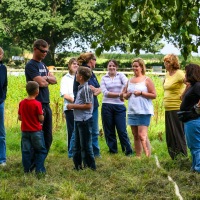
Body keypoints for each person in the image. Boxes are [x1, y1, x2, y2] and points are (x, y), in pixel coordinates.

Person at [25, 39, 57, 160]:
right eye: (42, 51)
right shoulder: (31, 65)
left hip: (46, 103)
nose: (45, 53)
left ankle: (40, 161)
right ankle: (32, 164)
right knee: (37, 136)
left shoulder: (43, 65)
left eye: (46, 51)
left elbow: (55, 80)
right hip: (37, 104)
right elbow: (43, 83)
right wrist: (47, 79)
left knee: (48, 137)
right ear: (35, 49)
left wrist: (45, 79)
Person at [124, 58, 156, 157]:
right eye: (133, 66)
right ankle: (138, 156)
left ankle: (148, 156)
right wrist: (126, 95)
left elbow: (154, 95)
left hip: (144, 111)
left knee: (142, 135)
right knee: (135, 135)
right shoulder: (129, 81)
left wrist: (141, 93)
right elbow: (123, 94)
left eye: (136, 66)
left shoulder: (147, 80)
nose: (134, 68)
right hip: (132, 111)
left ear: (141, 67)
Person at [100, 59, 133, 156]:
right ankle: (113, 150)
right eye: (110, 66)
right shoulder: (103, 78)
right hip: (107, 106)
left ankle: (127, 150)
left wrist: (123, 92)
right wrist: (120, 95)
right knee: (109, 130)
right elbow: (105, 93)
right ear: (107, 67)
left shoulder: (121, 75)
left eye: (113, 66)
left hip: (119, 107)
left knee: (122, 130)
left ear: (116, 67)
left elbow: (127, 84)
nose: (111, 67)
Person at [67, 66, 96, 170]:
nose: (76, 75)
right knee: (77, 145)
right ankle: (77, 166)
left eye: (77, 73)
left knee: (86, 146)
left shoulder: (87, 89)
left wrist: (73, 106)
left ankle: (90, 167)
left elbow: (88, 105)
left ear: (81, 77)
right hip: (78, 120)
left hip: (84, 120)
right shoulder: (81, 88)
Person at [73, 52, 101, 157]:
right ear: (91, 61)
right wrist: (96, 91)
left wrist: (97, 90)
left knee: (92, 131)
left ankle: (93, 153)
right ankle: (79, 153)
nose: (96, 62)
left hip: (93, 105)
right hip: (85, 106)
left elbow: (98, 88)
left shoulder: (91, 73)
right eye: (95, 60)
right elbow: (90, 90)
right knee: (83, 131)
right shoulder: (83, 71)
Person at [18, 81, 47, 173]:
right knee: (41, 150)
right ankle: (39, 169)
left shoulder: (22, 103)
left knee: (26, 151)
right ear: (37, 92)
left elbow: (20, 118)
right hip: (36, 131)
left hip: (25, 131)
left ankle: (27, 170)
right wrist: (43, 114)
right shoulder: (37, 104)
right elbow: (41, 118)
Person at [163, 54, 187, 159]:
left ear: (173, 63)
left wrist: (183, 95)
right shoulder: (167, 74)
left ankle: (183, 156)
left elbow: (190, 83)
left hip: (177, 107)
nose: (165, 64)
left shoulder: (180, 74)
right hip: (168, 108)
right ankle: (174, 156)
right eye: (165, 62)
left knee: (178, 133)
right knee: (170, 134)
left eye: (167, 62)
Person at [180, 63, 200, 173]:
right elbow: (181, 97)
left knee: (196, 146)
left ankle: (198, 169)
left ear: (191, 73)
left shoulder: (197, 85)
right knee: (193, 145)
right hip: (189, 120)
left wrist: (197, 108)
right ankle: (194, 167)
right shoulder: (192, 85)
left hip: (193, 120)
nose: (184, 74)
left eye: (186, 71)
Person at [60, 58, 78, 158]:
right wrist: (75, 102)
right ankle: (71, 152)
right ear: (69, 65)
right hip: (70, 108)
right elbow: (64, 94)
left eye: (77, 64)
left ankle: (78, 150)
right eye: (73, 64)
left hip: (79, 108)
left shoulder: (80, 77)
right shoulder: (65, 78)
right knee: (71, 130)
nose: (76, 65)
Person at [0, 47, 7, 166]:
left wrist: (3, 97)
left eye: (0, 54)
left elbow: (5, 84)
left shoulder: (3, 68)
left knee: (1, 132)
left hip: (0, 102)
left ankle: (2, 159)